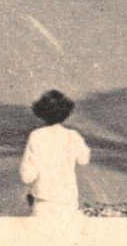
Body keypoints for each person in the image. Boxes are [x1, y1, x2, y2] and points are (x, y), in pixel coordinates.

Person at [19, 90, 90, 219]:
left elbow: (27, 176)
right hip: (68, 200)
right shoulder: (72, 135)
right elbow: (84, 159)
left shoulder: (36, 136)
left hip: (43, 201)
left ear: (40, 112)